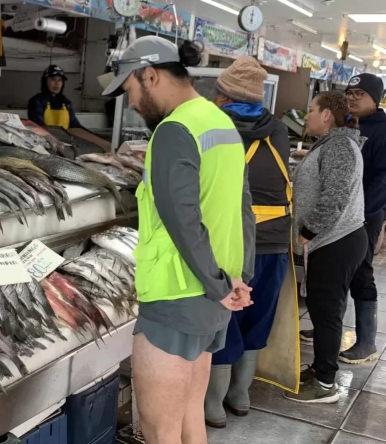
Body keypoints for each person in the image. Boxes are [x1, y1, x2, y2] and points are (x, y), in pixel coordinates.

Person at [103, 36, 255, 442]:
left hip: (176, 295)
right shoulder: (219, 121)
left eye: (130, 91)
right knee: (189, 418)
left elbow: (182, 221)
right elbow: (243, 208)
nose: (131, 103)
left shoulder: (173, 130)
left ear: (150, 75)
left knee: (158, 428)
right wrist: (236, 279)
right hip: (212, 296)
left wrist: (218, 284)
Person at [204, 57, 292, 428]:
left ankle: (213, 405)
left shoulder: (216, 130)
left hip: (234, 241)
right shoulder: (280, 130)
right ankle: (241, 395)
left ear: (223, 97)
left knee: (226, 318)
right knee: (259, 315)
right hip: (275, 241)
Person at [285, 91, 367, 403]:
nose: (306, 115)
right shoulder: (335, 143)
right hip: (334, 241)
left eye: (311, 109)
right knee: (322, 311)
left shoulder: (340, 145)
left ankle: (324, 384)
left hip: (337, 242)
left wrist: (308, 230)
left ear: (327, 115)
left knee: (327, 311)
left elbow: (336, 193)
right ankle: (321, 368)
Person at [300, 74, 386, 365]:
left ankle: (365, 341)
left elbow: (382, 181)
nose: (352, 97)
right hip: (343, 216)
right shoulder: (350, 129)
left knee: (360, 276)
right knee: (332, 285)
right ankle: (326, 326)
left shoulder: (382, 131)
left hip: (363, 216)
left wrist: (362, 212)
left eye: (359, 93)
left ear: (375, 97)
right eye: (349, 92)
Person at [27, 65, 82, 129]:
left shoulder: (66, 103)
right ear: (45, 81)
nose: (57, 83)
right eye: (53, 79)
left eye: (59, 80)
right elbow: (39, 127)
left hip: (65, 139)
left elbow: (75, 126)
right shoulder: (37, 102)